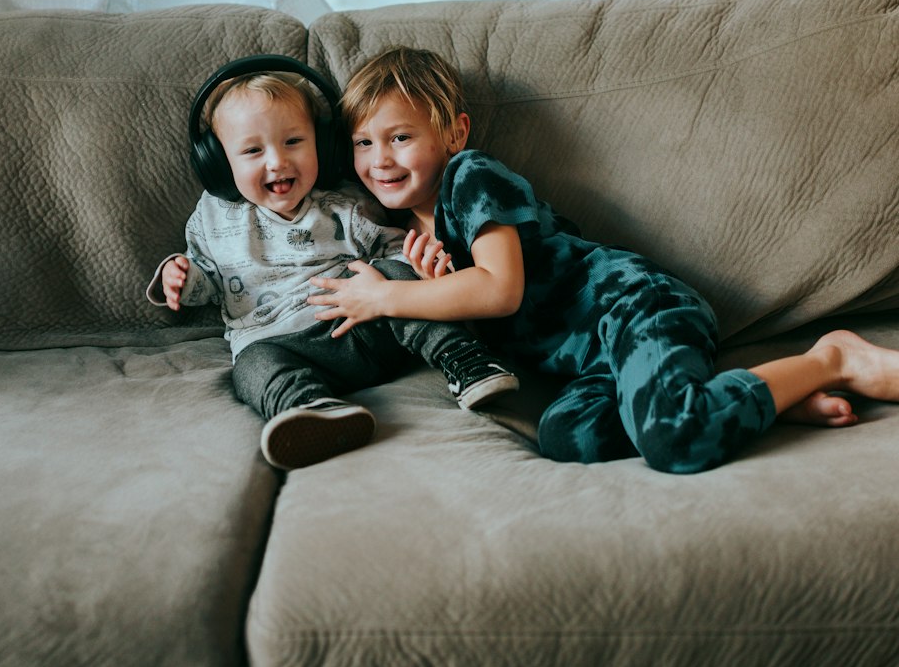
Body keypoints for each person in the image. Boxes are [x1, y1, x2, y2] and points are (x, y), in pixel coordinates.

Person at [307, 45, 899, 475]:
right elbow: (483, 316)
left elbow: (501, 289)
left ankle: (832, 359)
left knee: (675, 439)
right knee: (567, 436)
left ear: (454, 133)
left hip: (636, 307)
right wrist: (441, 293)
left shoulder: (472, 176)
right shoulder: (409, 235)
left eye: (400, 137)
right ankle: (744, 396)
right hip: (595, 362)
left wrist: (387, 296)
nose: (379, 158)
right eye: (363, 142)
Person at [147, 60, 518, 471]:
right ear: (219, 163)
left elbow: (394, 248)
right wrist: (180, 278)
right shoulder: (213, 219)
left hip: (360, 324)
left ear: (322, 147)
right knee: (250, 366)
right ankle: (308, 409)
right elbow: (207, 281)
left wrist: (416, 266)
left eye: (293, 142)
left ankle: (465, 360)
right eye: (253, 150)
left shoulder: (345, 203)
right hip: (281, 344)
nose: (277, 162)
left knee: (395, 278)